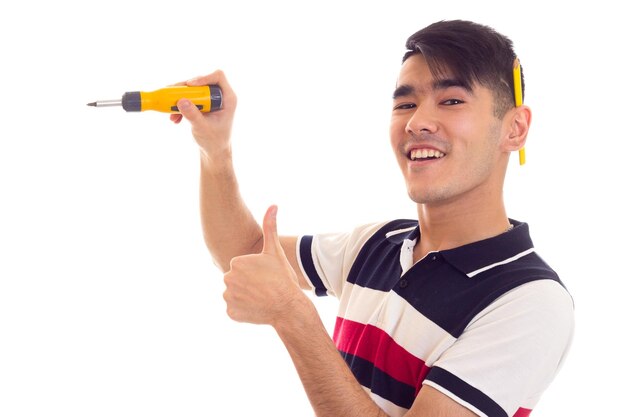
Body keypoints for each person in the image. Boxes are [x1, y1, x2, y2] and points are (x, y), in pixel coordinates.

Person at [170, 19, 574, 417]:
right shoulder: (377, 244)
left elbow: (280, 296)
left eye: (451, 101)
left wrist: (294, 317)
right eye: (405, 104)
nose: (417, 122)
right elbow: (244, 255)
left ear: (515, 129)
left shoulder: (530, 301)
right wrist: (215, 150)